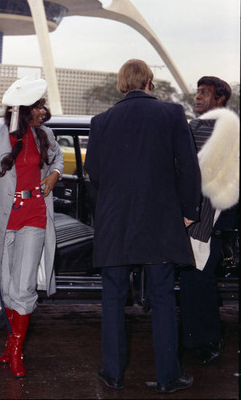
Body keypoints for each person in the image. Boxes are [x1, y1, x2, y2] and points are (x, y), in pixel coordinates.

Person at [84, 59, 201, 394]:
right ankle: (168, 377)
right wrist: (189, 211)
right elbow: (189, 168)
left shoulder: (101, 121)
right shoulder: (172, 114)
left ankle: (114, 373)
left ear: (122, 83)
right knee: (163, 296)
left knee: (113, 298)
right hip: (161, 221)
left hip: (116, 223)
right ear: (150, 80)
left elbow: (95, 173)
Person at [0, 74, 63, 378]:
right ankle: (11, 344)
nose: (43, 111)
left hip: (35, 217)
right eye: (38, 107)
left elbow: (58, 159)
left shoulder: (45, 135)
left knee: (23, 287)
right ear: (23, 110)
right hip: (3, 221)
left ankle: (16, 353)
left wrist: (54, 175)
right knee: (5, 287)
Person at [179, 76, 239, 365]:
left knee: (201, 282)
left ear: (220, 100)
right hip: (190, 219)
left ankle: (209, 340)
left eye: (205, 93)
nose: (198, 97)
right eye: (198, 91)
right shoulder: (193, 127)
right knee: (191, 280)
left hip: (211, 223)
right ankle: (192, 338)